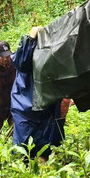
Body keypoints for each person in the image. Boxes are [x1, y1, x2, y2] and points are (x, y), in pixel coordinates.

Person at [11, 28, 66, 161]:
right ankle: (26, 171)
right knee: (24, 145)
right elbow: (21, 61)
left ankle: (42, 171)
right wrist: (31, 37)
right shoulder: (24, 55)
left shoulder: (49, 54)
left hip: (43, 105)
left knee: (44, 142)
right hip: (25, 106)